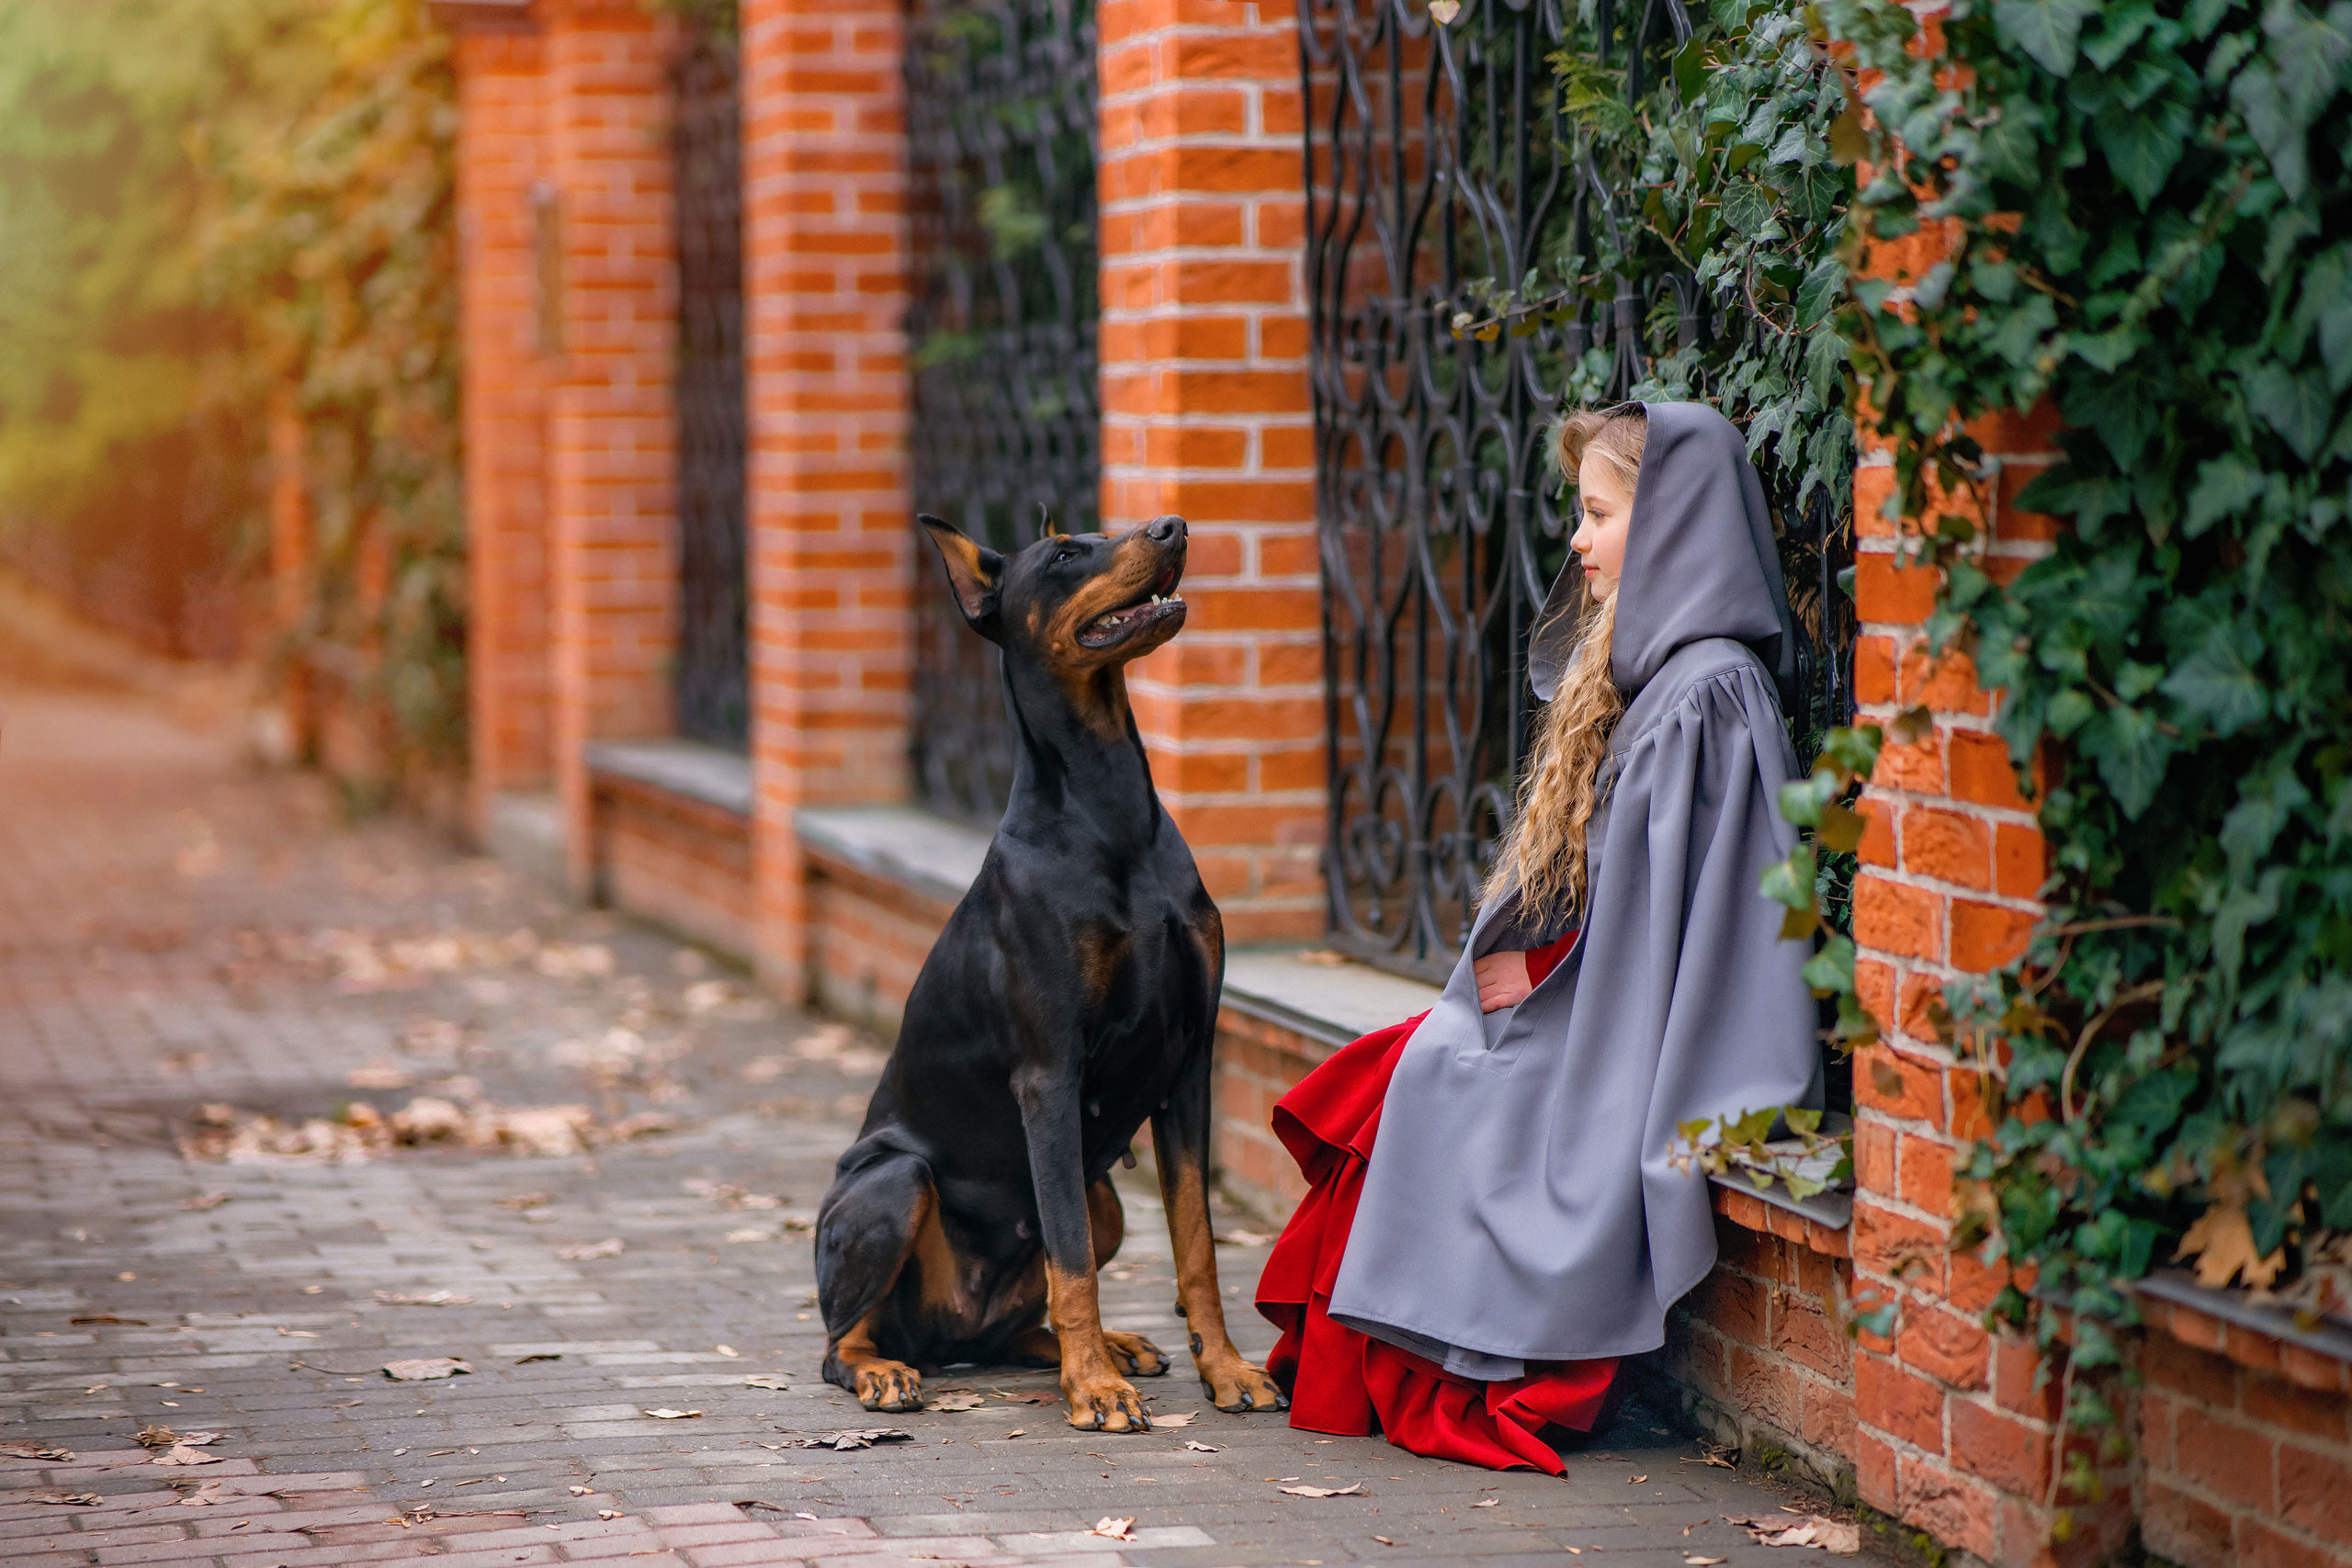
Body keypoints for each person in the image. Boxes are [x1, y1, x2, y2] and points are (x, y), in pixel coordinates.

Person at [1254, 400, 1824, 1473]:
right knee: (1402, 1069)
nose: (1576, 541)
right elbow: (1616, 892)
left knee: (1428, 1079)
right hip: (1590, 997)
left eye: (1599, 515)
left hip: (1627, 1037)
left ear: (1671, 529)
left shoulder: (1712, 694)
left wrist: (1553, 987)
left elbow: (1692, 937)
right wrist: (1527, 957)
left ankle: (1452, 1356)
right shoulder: (1659, 679)